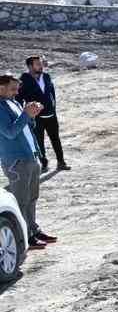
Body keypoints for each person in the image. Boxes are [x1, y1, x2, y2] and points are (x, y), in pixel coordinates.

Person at [0, 75, 50, 251]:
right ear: (1, 88)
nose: (17, 92)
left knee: (32, 198)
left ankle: (34, 230)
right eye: (13, 88)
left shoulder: (14, 102)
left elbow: (27, 128)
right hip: (16, 161)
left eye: (17, 88)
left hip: (30, 156)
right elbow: (10, 132)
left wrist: (32, 115)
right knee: (21, 200)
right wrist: (26, 114)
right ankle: (26, 237)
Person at [18, 56, 67, 172]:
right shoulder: (23, 80)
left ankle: (61, 162)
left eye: (41, 63)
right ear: (30, 66)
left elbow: (52, 94)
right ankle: (43, 163)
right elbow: (19, 99)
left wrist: (53, 109)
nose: (41, 66)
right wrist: (24, 115)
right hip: (35, 117)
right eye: (38, 64)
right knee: (39, 141)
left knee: (56, 139)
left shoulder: (46, 76)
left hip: (51, 115)